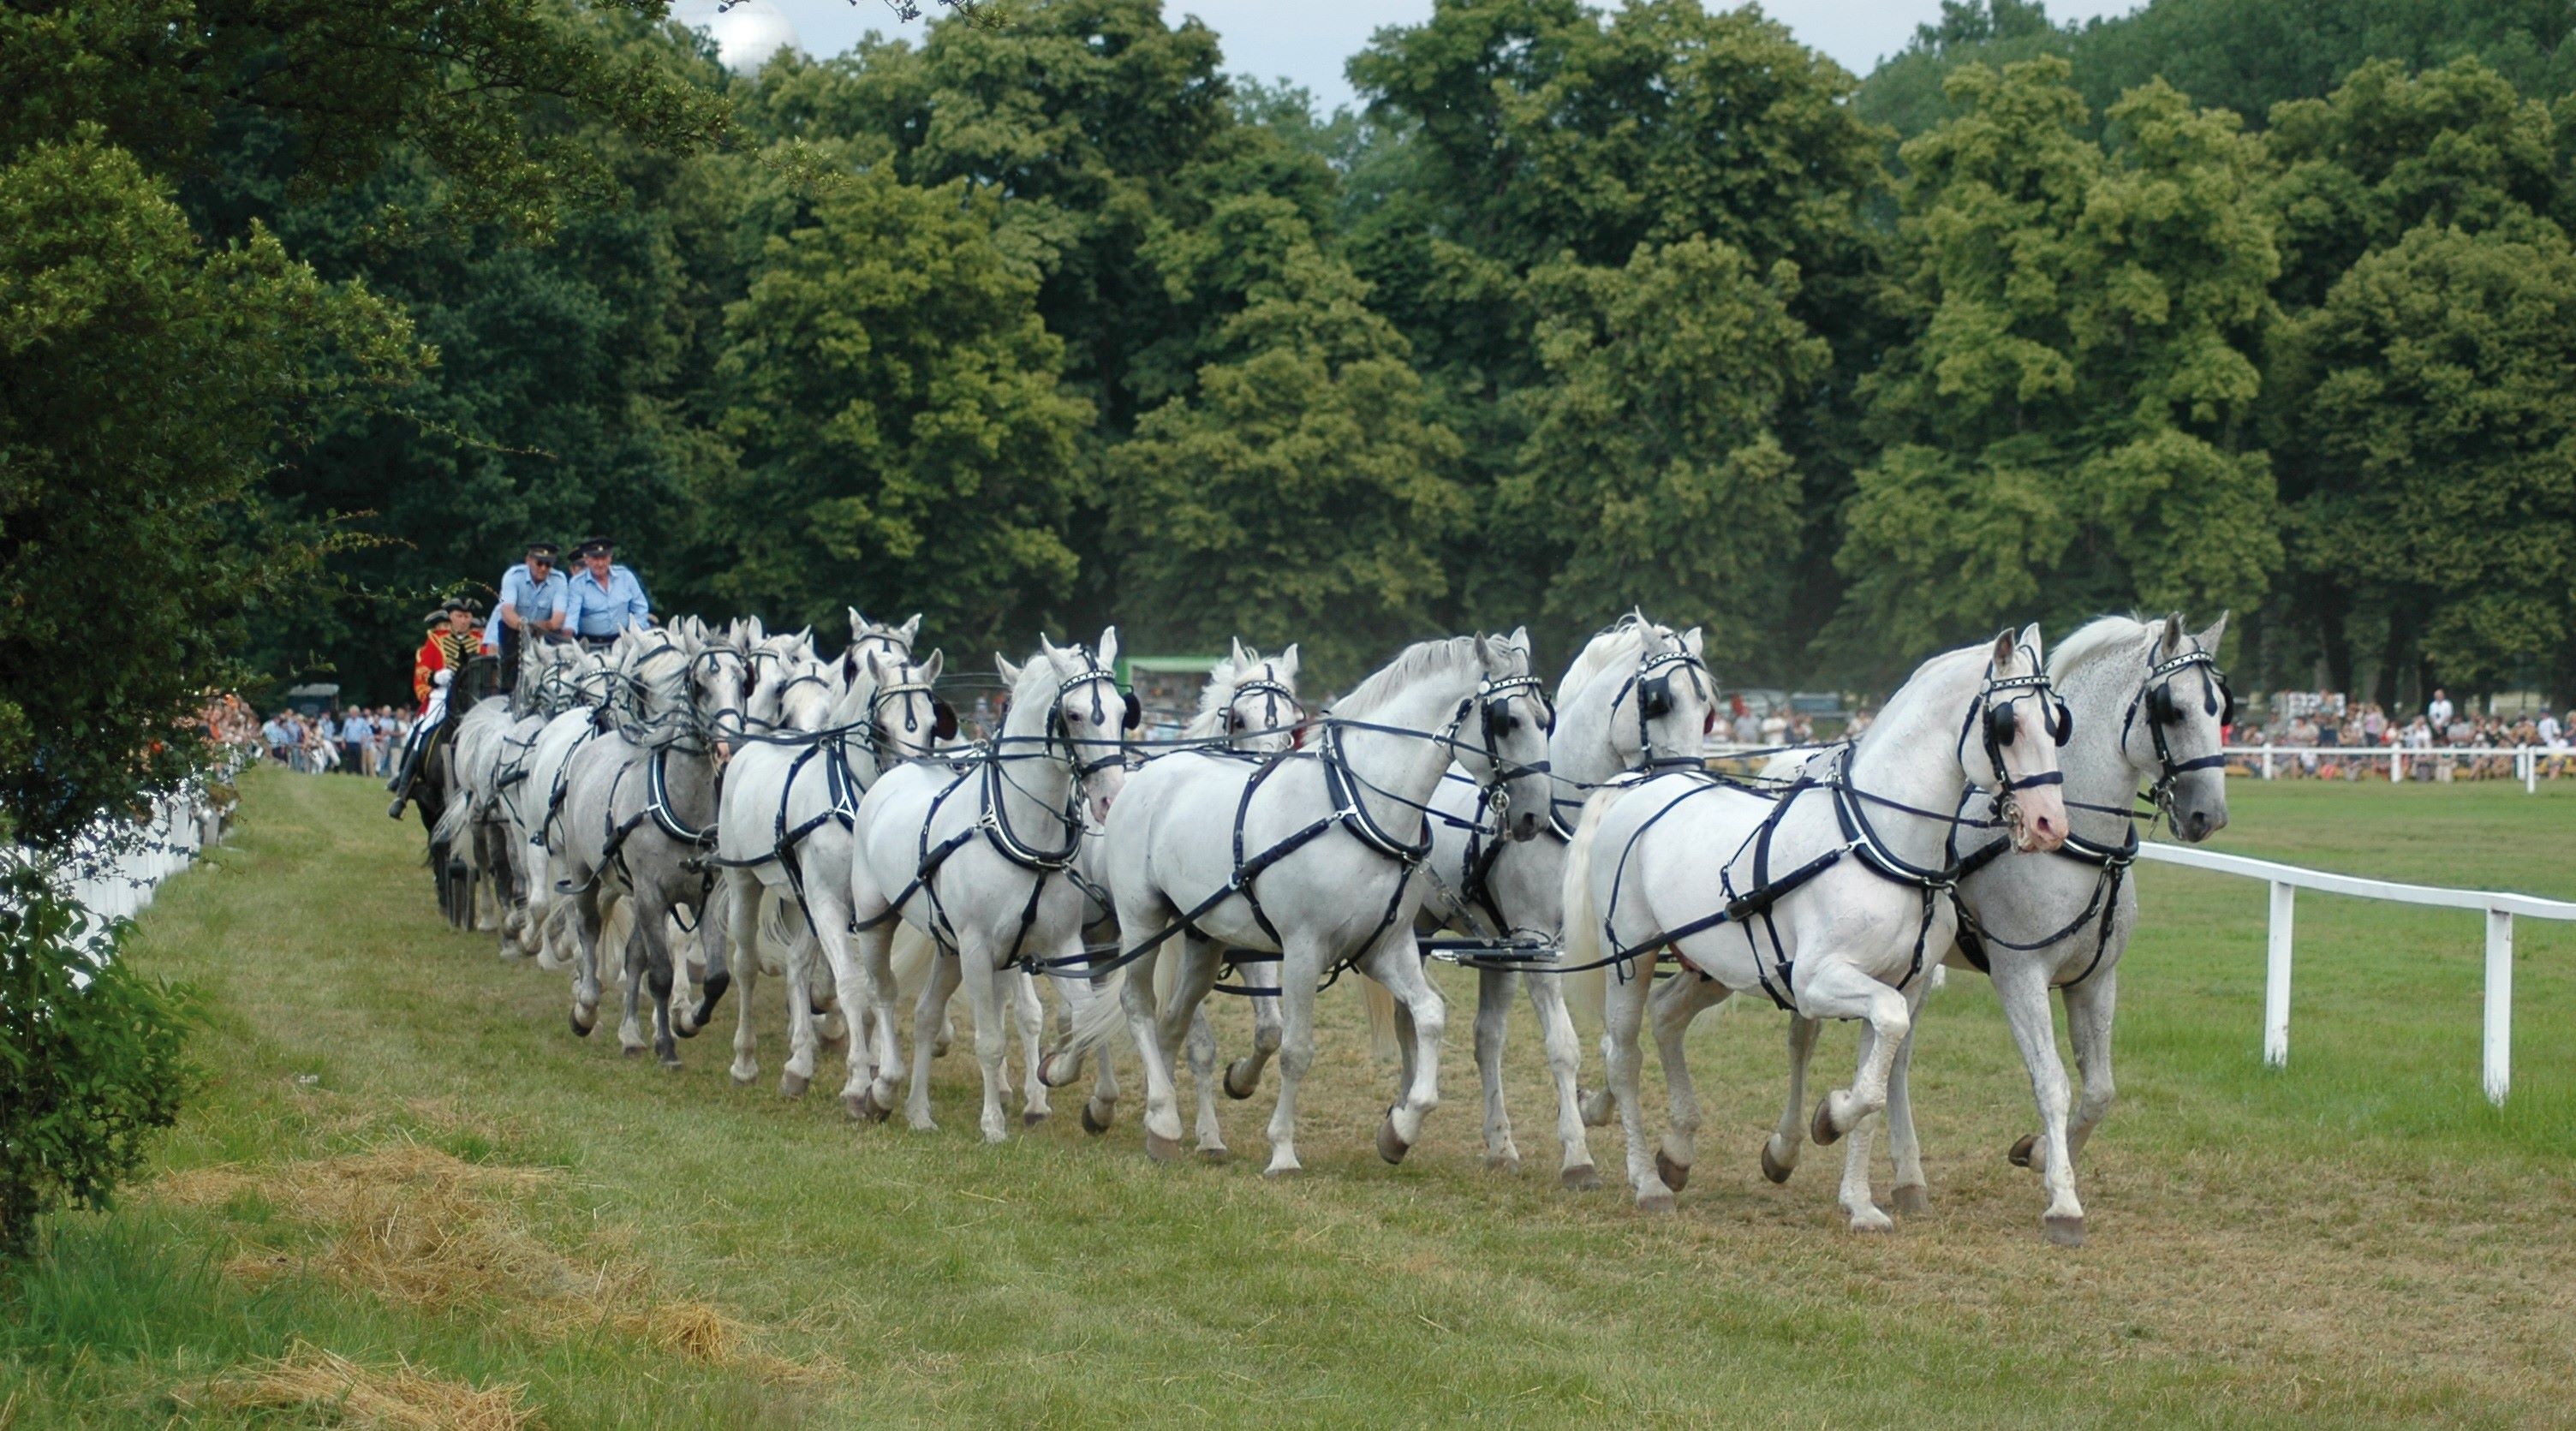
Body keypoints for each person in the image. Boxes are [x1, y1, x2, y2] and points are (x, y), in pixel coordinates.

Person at [387, 602, 482, 818]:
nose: (464, 620)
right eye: (460, 616)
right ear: (451, 617)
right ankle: (403, 788)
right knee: (421, 731)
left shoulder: (480, 641)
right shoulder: (435, 640)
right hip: (443, 695)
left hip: (473, 697)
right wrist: (435, 678)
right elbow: (421, 672)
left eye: (467, 616)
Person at [483, 540, 570, 685]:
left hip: (540, 631)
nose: (543, 568)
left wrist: (536, 628)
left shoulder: (559, 580)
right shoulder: (513, 576)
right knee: (502, 669)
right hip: (507, 627)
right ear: (528, 560)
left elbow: (557, 620)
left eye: (548, 564)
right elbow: (507, 612)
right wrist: (526, 627)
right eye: (539, 563)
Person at [563, 536, 652, 647]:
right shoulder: (577, 583)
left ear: (610, 558)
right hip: (591, 646)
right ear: (586, 560)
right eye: (595, 558)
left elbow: (641, 608)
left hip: (625, 643)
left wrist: (635, 632)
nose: (600, 564)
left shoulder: (625, 576)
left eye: (604, 558)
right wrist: (568, 635)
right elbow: (572, 615)